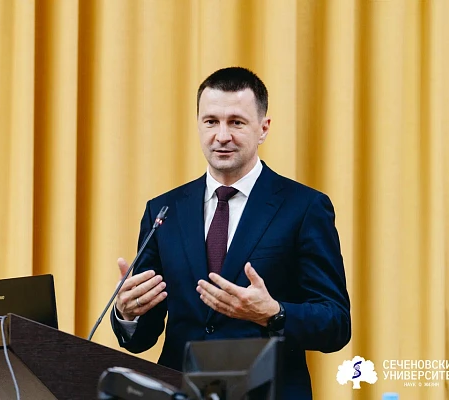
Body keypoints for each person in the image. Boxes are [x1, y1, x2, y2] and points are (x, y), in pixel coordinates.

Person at [110, 66, 351, 400]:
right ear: (198, 125)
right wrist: (128, 314)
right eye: (211, 121)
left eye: (236, 122)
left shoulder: (305, 207)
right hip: (181, 391)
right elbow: (142, 338)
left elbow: (336, 323)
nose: (222, 136)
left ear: (263, 128)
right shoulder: (163, 210)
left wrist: (274, 313)